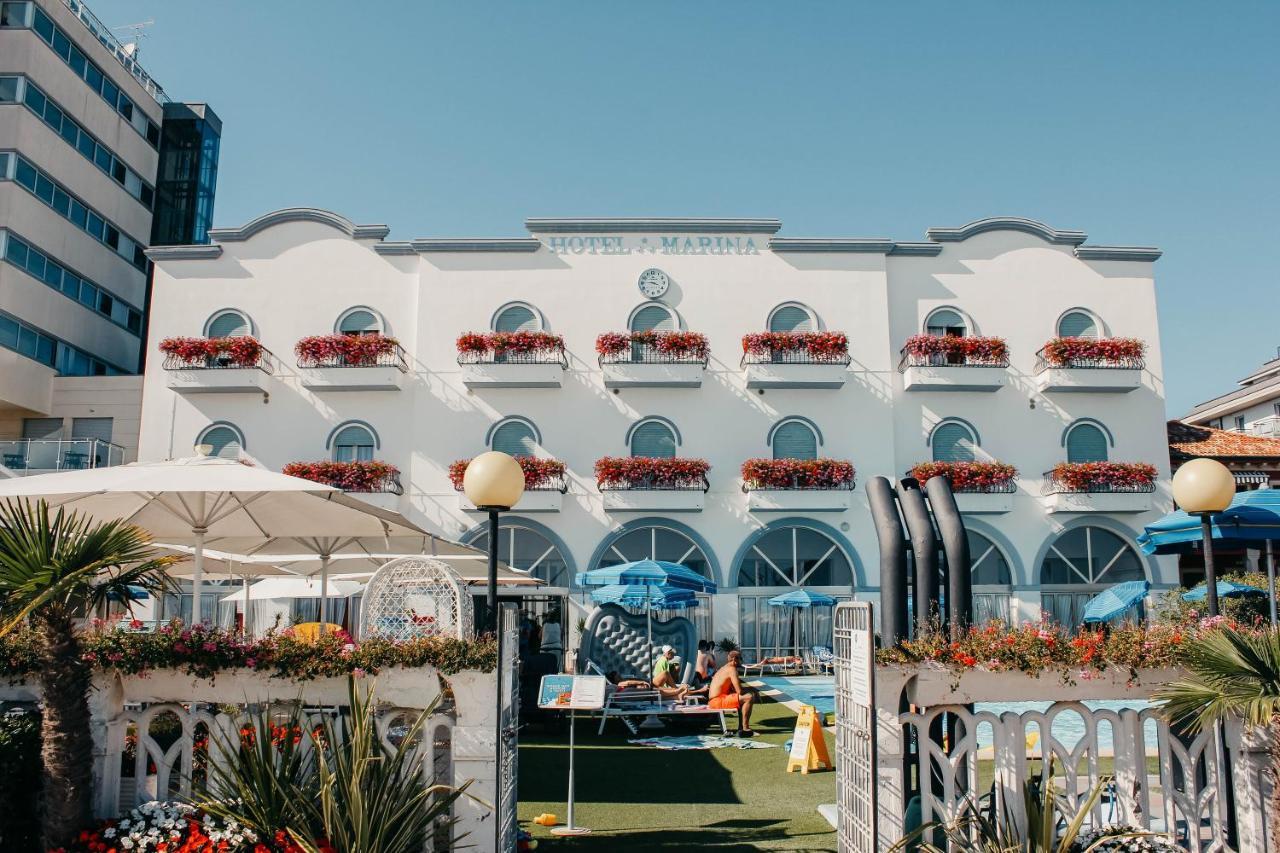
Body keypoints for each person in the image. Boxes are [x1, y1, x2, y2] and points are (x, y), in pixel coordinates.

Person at [708, 650, 756, 737]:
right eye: (740, 659)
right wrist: (752, 690)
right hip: (717, 701)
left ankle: (741, 727)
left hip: (714, 700)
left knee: (743, 697)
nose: (741, 661)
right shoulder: (732, 669)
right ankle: (745, 728)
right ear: (734, 659)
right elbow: (739, 691)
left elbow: (734, 690)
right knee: (749, 697)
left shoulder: (723, 668)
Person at [605, 670, 688, 701]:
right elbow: (628, 684)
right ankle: (678, 691)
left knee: (665, 673)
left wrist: (643, 682)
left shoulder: (622, 682)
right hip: (647, 688)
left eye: (619, 675)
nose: (620, 676)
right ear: (614, 679)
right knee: (658, 690)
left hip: (648, 684)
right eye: (617, 676)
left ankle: (677, 691)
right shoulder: (619, 684)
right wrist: (641, 683)